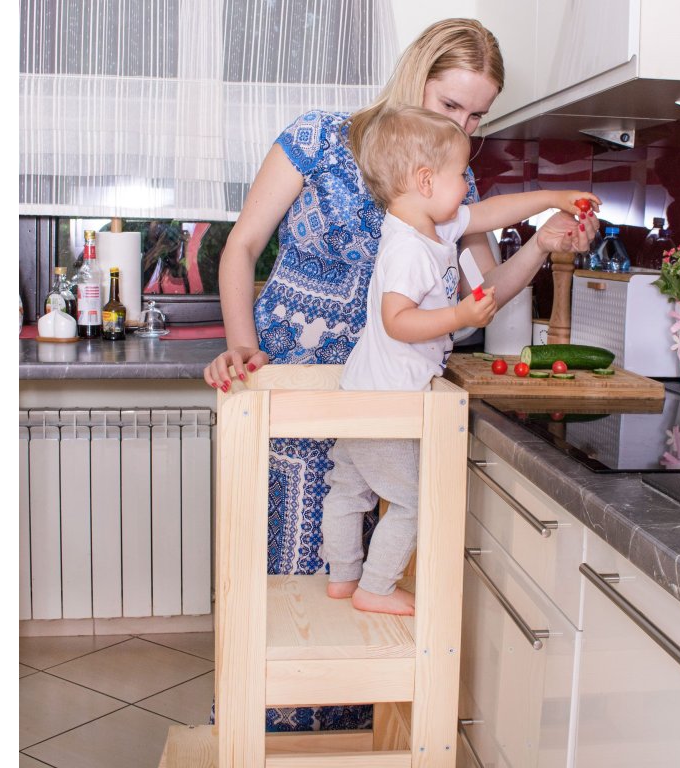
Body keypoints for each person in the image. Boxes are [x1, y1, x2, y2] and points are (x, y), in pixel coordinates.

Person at [202, 17, 601, 732]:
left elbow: (482, 292)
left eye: (478, 116)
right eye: (451, 105)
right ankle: (261, 731)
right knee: (285, 564)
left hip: (384, 395)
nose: (465, 126)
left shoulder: (452, 178)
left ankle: (344, 737)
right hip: (289, 381)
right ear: (415, 74)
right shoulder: (318, 137)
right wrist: (240, 345)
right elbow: (244, 245)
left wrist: (544, 242)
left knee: (362, 569)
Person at [322, 106, 600, 616]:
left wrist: (552, 198)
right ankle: (374, 587)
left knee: (348, 489)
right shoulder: (410, 248)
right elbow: (397, 321)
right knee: (413, 500)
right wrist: (460, 314)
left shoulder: (433, 227)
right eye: (459, 175)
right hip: (389, 400)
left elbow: (495, 211)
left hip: (363, 388)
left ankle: (342, 578)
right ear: (426, 180)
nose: (466, 186)